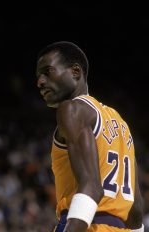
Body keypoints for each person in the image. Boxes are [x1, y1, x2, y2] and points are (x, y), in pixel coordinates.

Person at [35, 41, 144, 232]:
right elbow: (135, 209)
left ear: (75, 71)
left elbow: (92, 187)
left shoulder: (72, 109)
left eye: (48, 71)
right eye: (38, 76)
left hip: (85, 223)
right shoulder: (121, 125)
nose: (40, 82)